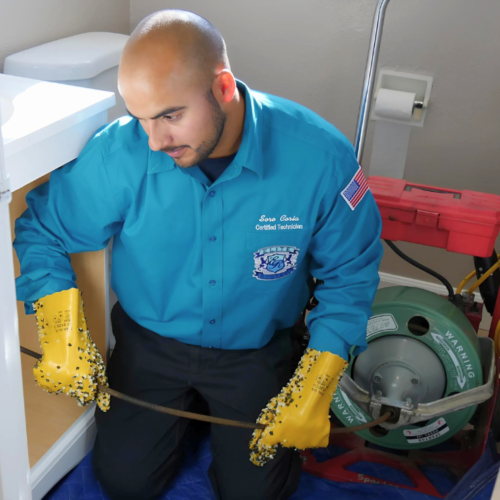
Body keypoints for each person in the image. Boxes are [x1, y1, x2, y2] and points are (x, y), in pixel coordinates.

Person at [13, 8, 383, 500]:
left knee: (254, 493)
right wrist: (59, 331)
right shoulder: (122, 153)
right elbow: (43, 229)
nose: (155, 140)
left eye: (170, 115)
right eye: (141, 118)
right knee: (124, 481)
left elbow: (350, 275)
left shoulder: (321, 159)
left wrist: (318, 382)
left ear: (224, 88)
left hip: (255, 351)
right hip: (151, 345)